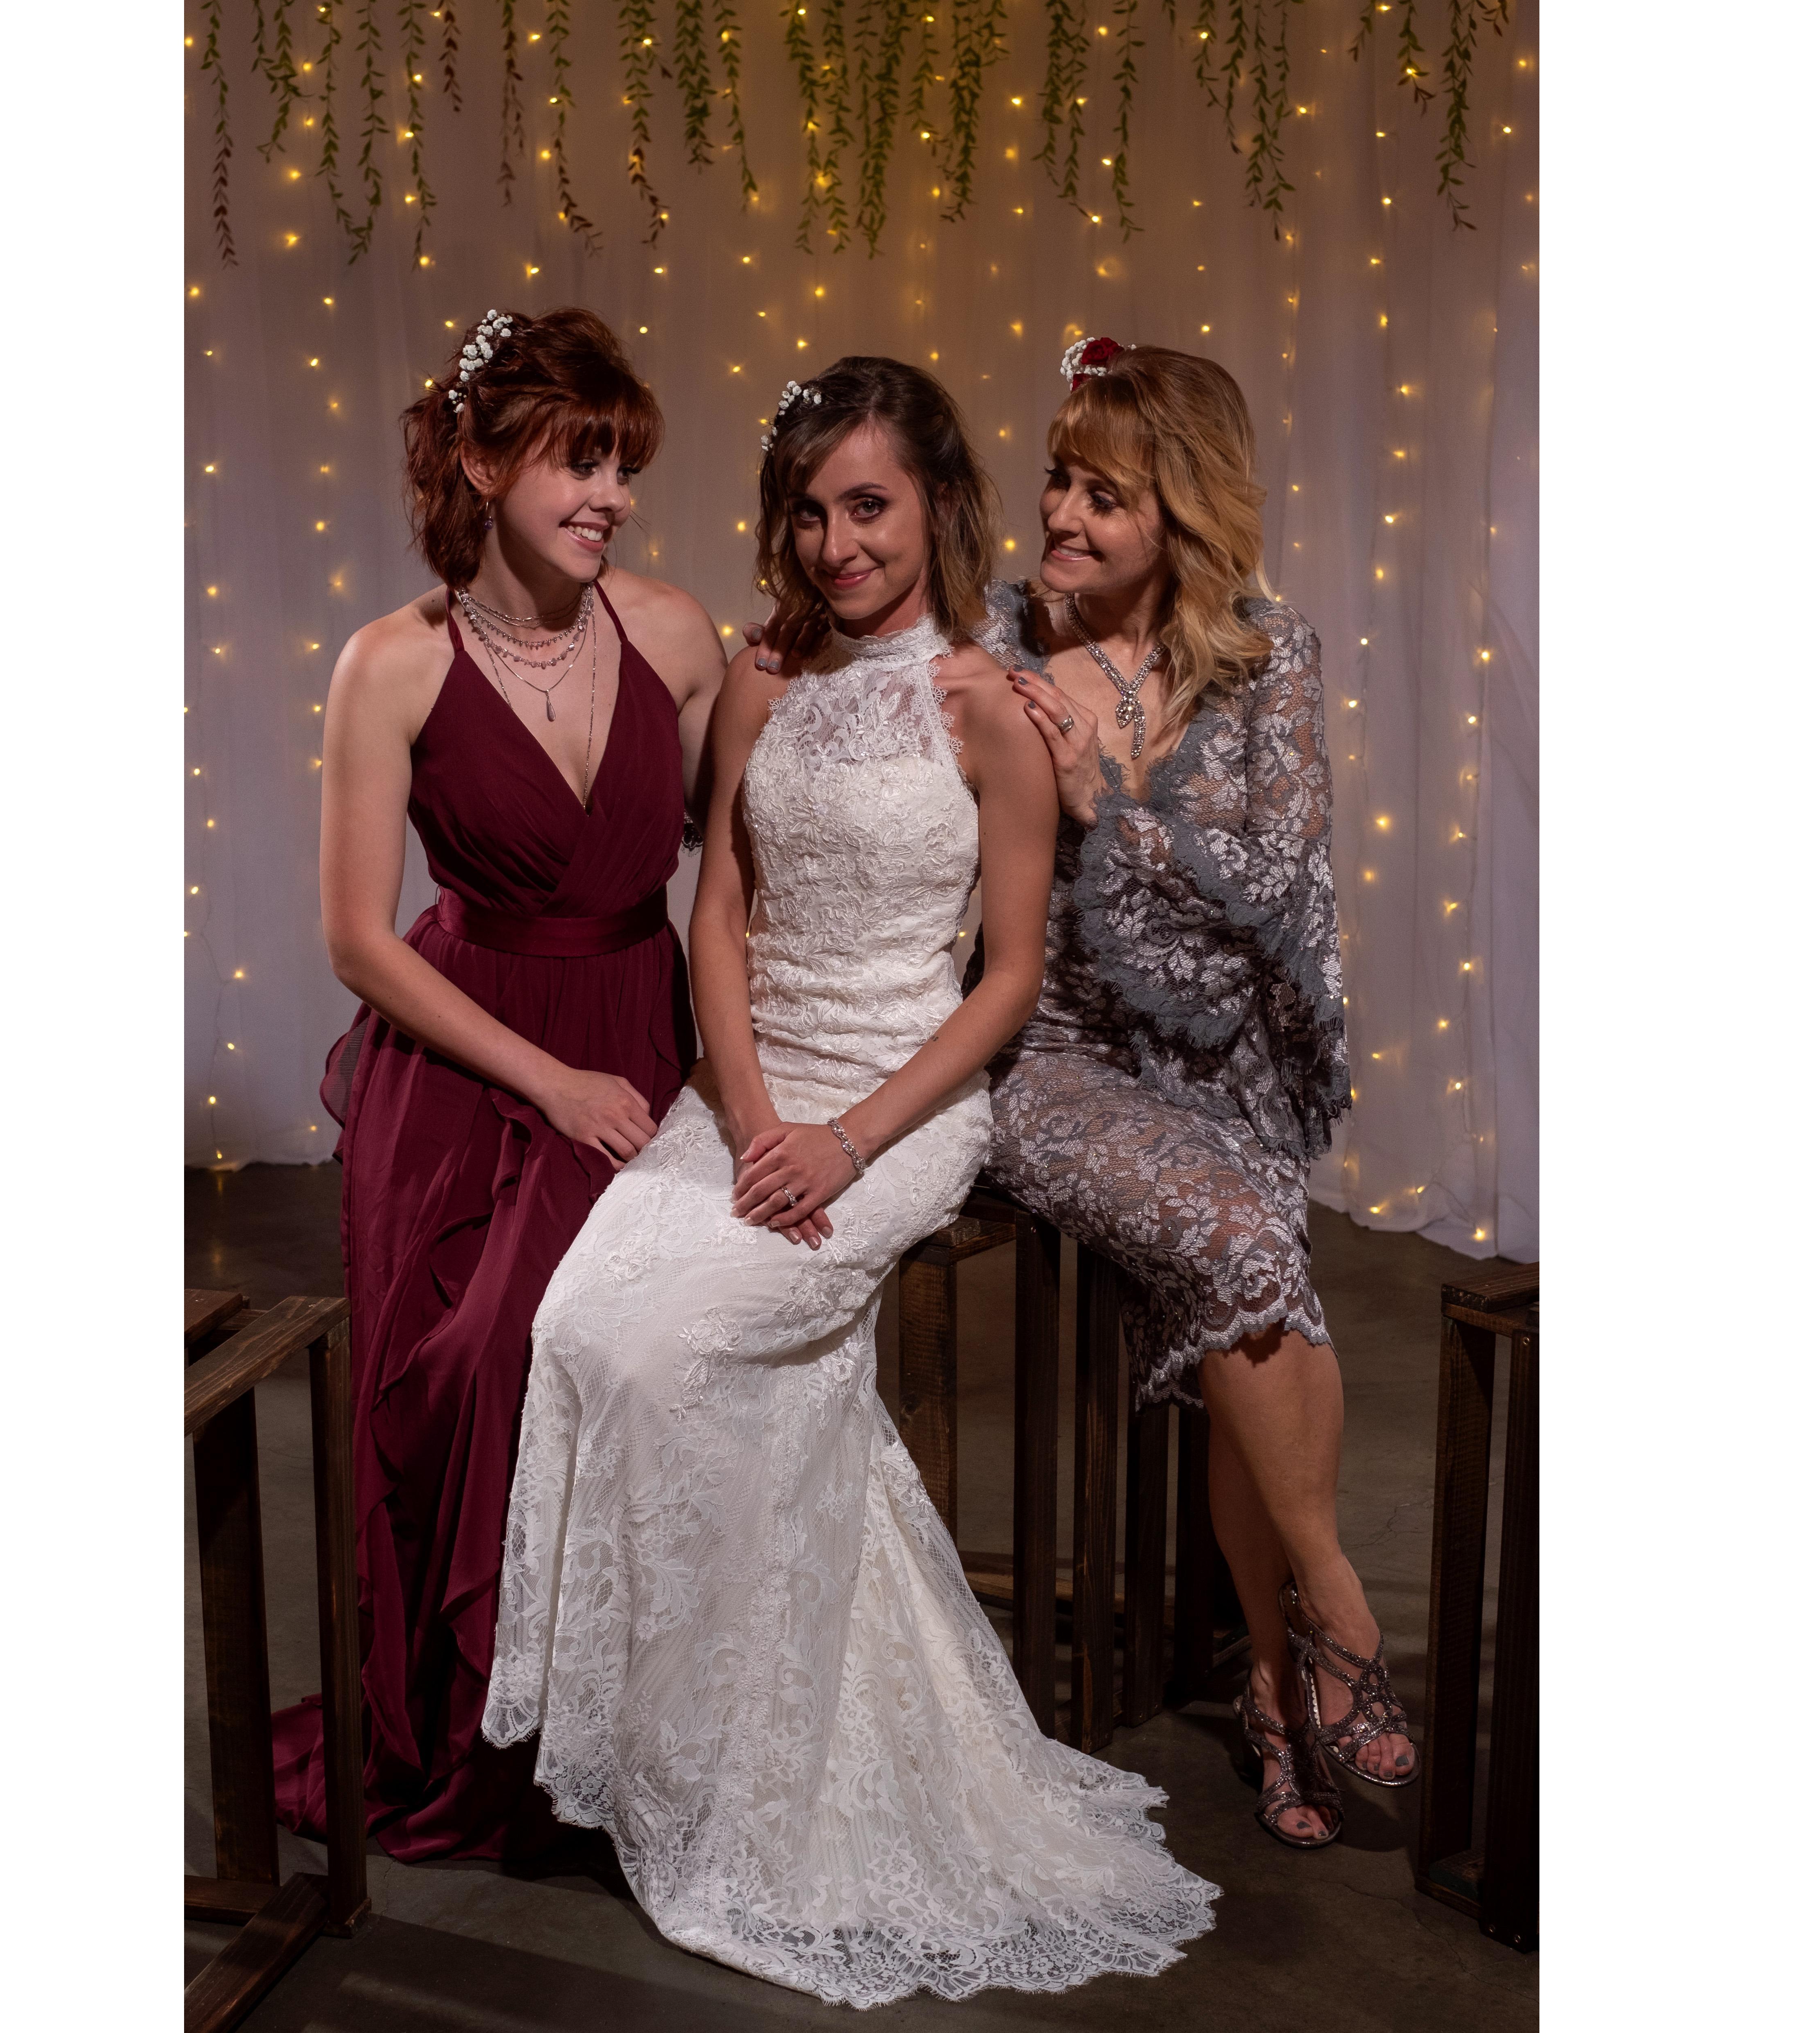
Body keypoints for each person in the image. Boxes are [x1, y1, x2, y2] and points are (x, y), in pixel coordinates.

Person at [482, 358, 1217, 2005]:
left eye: (868, 506)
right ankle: (672, 1738)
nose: (834, 544)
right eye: (808, 512)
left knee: (682, 1357)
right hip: (747, 1095)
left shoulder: (985, 708)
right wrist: (745, 1114)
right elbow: (720, 912)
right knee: (583, 1331)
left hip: (902, 1102)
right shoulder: (758, 684)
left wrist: (846, 1141)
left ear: (939, 511)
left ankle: (758, 1768)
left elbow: (1009, 980)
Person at [751, 338, 1414, 1850]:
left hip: (1222, 1066)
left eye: (1105, 495)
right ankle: (1338, 1616)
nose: (1062, 513)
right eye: (1059, 479)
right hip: (1054, 1064)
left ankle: (1268, 1673)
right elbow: (866, 720)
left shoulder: (1268, 654)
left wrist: (1117, 795)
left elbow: (1278, 882)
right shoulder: (998, 644)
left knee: (1256, 1260)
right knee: (1252, 1249)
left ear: (1181, 514)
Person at [272, 306, 726, 1864]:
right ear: (477, 461)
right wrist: (553, 1080)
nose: (607, 492)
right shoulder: (388, 667)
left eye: (618, 461)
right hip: (472, 1057)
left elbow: (751, 855)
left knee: (587, 1341)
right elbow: (353, 937)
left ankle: (610, 1724)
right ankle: (472, 1737)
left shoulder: (672, 634)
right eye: (573, 458)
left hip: (638, 1031)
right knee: (463, 1361)